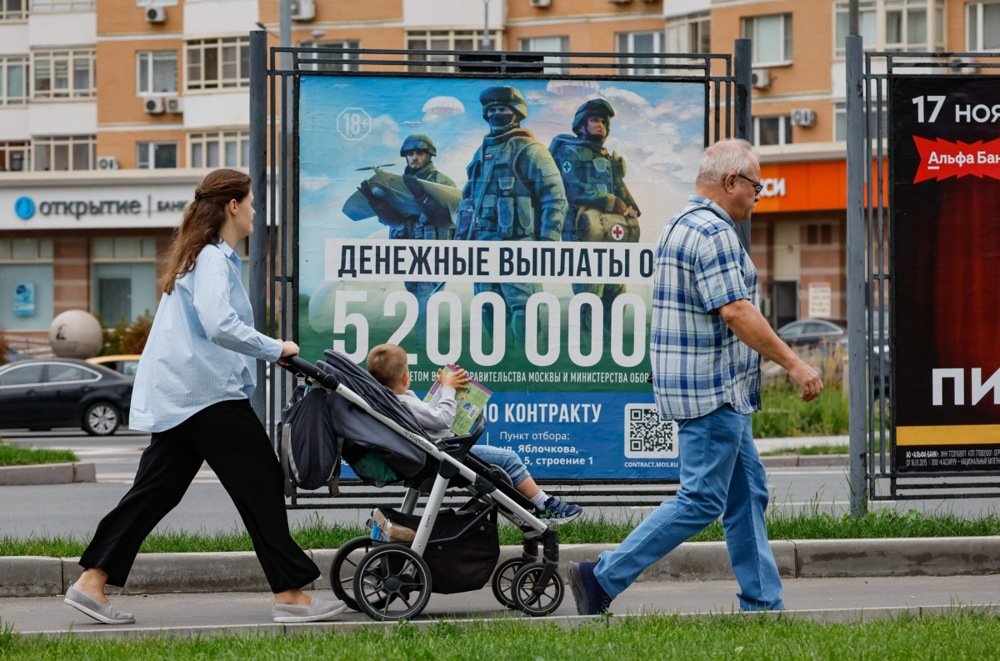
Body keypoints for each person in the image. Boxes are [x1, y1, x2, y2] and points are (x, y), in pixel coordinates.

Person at [64, 169, 345, 625]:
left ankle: (90, 582)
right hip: (206, 396)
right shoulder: (213, 259)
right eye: (251, 202)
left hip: (185, 394)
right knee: (260, 482)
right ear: (232, 205)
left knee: (155, 492)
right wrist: (277, 349)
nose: (255, 210)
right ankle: (290, 595)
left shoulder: (198, 257)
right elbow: (219, 325)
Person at [568, 139, 824, 615]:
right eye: (756, 185)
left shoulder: (679, 224)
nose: (759, 194)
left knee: (747, 496)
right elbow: (736, 310)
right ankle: (601, 576)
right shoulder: (714, 232)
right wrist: (794, 362)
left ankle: (763, 603)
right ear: (731, 183)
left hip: (713, 389)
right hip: (713, 393)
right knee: (701, 500)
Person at [365, 343, 582, 524]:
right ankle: (544, 505)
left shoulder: (390, 402)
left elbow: (429, 417)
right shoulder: (405, 404)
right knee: (509, 459)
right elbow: (441, 419)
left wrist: (443, 387)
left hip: (435, 454)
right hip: (443, 457)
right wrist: (448, 389)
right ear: (405, 377)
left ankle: (537, 506)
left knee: (502, 464)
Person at [457, 85, 568, 348]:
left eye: (503, 109)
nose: (496, 114)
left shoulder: (530, 150)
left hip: (518, 244)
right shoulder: (481, 153)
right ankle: (501, 362)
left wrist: (547, 245)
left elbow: (555, 197)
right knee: (488, 305)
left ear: (516, 113)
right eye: (492, 110)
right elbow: (468, 198)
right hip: (484, 245)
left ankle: (525, 363)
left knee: (523, 306)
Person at [357, 134, 457, 349]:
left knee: (426, 302)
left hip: (433, 256)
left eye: (419, 153)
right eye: (410, 154)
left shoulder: (442, 183)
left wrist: (422, 194)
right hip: (408, 255)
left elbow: (444, 218)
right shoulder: (397, 183)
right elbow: (393, 220)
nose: (414, 158)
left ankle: (427, 350)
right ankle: (425, 348)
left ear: (429, 154)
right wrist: (376, 202)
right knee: (415, 300)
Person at [549, 98, 641, 331]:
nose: (600, 125)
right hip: (581, 230)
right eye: (594, 120)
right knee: (590, 290)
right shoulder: (569, 153)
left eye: (603, 121)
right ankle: (587, 343)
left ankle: (610, 344)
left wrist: (630, 206)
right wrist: (613, 202)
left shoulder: (607, 157)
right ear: (581, 125)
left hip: (609, 231)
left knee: (615, 288)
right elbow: (573, 188)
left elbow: (618, 185)